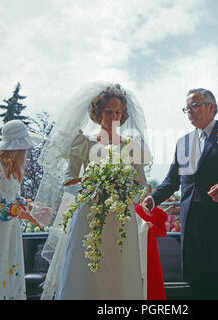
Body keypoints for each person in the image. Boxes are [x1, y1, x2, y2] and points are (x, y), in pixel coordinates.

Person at [143, 88, 218, 299]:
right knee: (198, 283)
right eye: (186, 108)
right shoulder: (183, 142)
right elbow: (172, 181)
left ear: (212, 107)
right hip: (192, 225)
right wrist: (153, 199)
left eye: (194, 105)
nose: (189, 111)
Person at [36, 82, 151, 300]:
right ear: (98, 112)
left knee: (119, 268)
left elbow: (141, 183)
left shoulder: (131, 145)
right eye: (108, 111)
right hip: (89, 214)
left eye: (118, 112)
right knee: (85, 268)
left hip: (121, 217)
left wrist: (124, 190)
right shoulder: (83, 142)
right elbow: (69, 179)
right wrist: (91, 188)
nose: (113, 116)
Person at [0, 120, 46, 300]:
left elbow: (13, 198)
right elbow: (0, 208)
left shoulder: (10, 169)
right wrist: (29, 217)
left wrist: (32, 206)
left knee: (10, 272)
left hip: (10, 231)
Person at [135, 204, 167, 300]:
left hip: (152, 249)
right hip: (138, 247)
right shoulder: (135, 209)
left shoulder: (158, 212)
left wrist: (152, 226)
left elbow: (163, 233)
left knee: (153, 276)